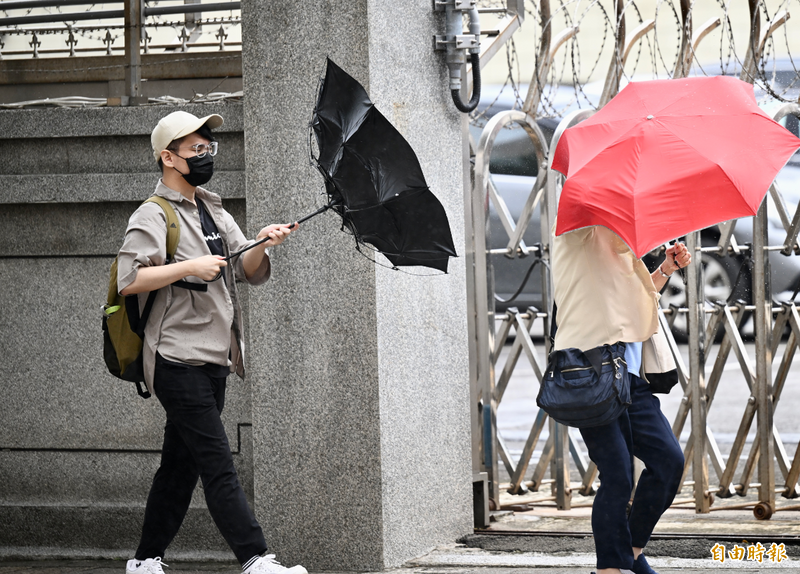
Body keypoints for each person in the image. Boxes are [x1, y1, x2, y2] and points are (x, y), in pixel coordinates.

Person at [117, 111, 305, 574]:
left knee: (180, 468)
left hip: (215, 357)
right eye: (196, 150)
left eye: (208, 149)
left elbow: (248, 271)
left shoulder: (213, 209)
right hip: (174, 358)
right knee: (218, 462)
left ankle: (144, 561)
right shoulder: (154, 214)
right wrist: (188, 267)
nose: (205, 156)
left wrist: (263, 242)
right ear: (168, 157)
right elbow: (130, 279)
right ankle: (256, 559)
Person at [551, 225, 691, 574]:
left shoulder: (624, 242)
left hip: (629, 377)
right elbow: (607, 302)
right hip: (591, 376)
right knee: (617, 474)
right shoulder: (578, 237)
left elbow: (635, 306)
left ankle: (630, 551)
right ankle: (610, 569)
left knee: (668, 461)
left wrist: (663, 270)